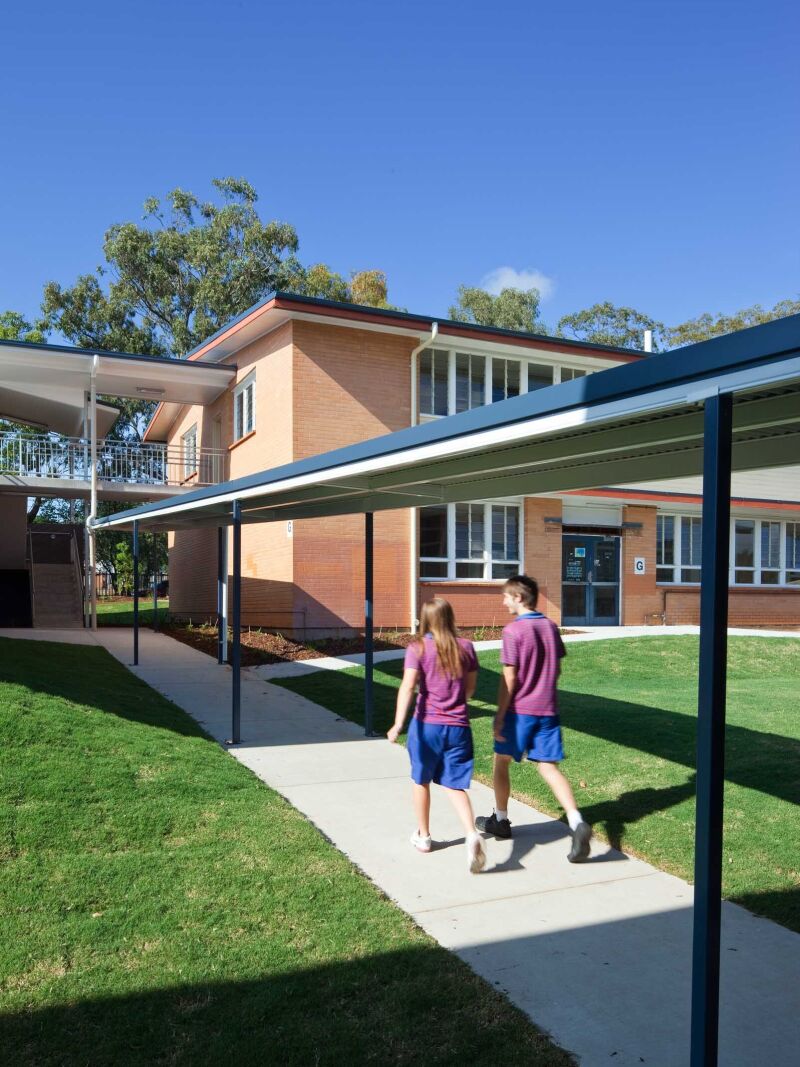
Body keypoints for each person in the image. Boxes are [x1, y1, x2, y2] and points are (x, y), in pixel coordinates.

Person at [476, 574, 592, 862]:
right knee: (548, 767)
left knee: (501, 761)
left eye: (506, 596)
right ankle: (577, 821)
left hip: (519, 713)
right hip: (548, 710)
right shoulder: (550, 627)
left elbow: (509, 679)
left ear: (519, 597)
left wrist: (499, 715)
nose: (504, 602)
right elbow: (557, 670)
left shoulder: (513, 631)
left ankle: (500, 820)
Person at [388, 597, 487, 874]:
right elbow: (470, 690)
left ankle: (424, 836)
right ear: (450, 617)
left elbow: (407, 687)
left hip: (427, 726)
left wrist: (397, 724)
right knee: (454, 784)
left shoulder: (418, 648)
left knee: (421, 780)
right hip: (459, 727)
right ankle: (471, 834)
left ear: (426, 619)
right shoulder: (466, 647)